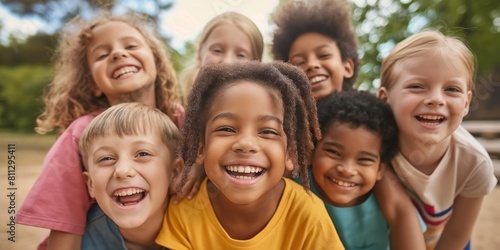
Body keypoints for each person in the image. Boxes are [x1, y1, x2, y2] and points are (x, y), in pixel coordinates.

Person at [16, 12, 184, 249]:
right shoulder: (81, 133)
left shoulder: (182, 119)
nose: (118, 53)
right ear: (92, 84)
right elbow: (67, 222)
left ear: (156, 61)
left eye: (131, 45)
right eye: (103, 55)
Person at [156, 61, 344, 249]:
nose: (246, 144)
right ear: (200, 148)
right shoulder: (185, 210)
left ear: (290, 153)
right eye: (227, 129)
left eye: (268, 132)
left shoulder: (308, 214)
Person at [378, 30, 497, 250]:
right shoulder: (373, 147)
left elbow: (456, 236)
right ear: (385, 98)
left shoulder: (474, 164)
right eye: (417, 86)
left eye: (452, 89)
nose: (435, 99)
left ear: (466, 102)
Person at [309, 90, 426, 249]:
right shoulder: (295, 191)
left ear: (380, 170)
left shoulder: (386, 203)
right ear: (312, 151)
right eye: (333, 153)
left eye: (364, 160)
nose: (347, 170)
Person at [79, 102, 181, 250]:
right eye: (106, 158)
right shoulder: (83, 238)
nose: (122, 170)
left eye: (143, 154)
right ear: (91, 184)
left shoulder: (202, 224)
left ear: (175, 172)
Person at [271, 0, 360, 100]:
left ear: (347, 67)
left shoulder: (373, 113)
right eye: (299, 63)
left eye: (324, 55)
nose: (311, 65)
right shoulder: (278, 114)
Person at [179, 11, 263, 101]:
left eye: (241, 55)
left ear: (256, 66)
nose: (227, 61)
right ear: (200, 53)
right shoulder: (176, 112)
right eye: (217, 51)